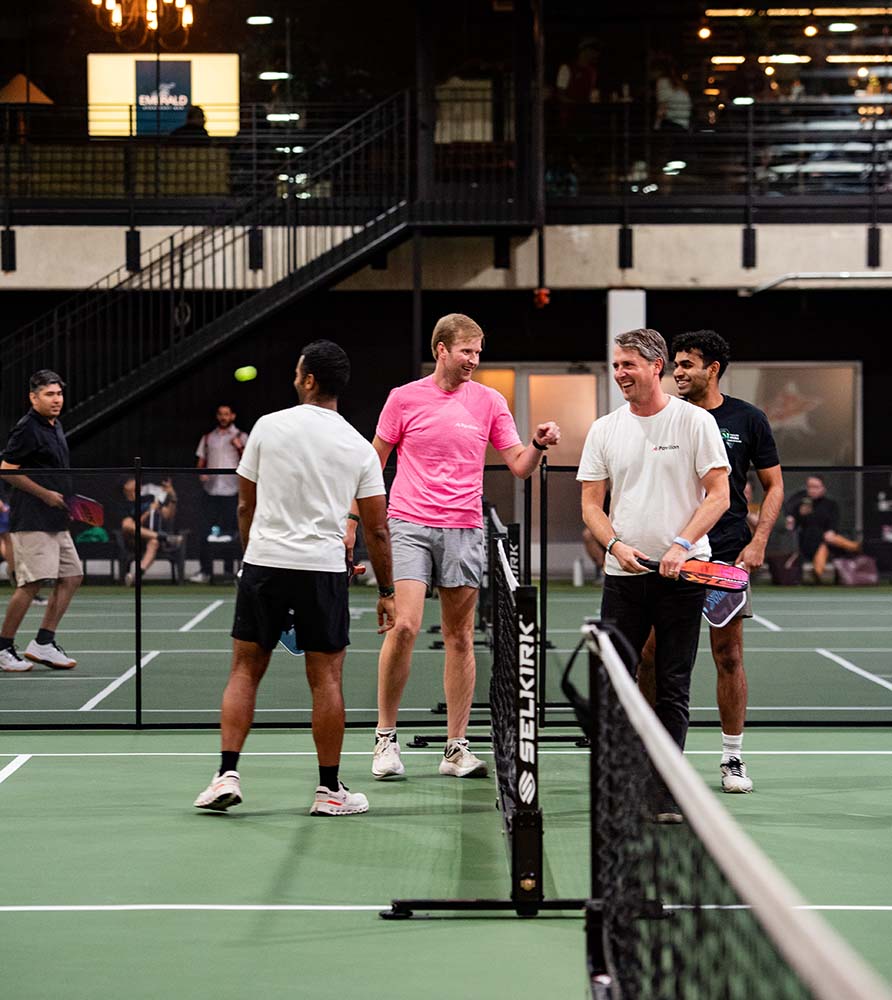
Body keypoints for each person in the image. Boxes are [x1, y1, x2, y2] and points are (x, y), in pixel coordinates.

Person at [193, 340, 395, 816]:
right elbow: (378, 528)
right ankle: (329, 792)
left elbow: (245, 503)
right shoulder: (357, 446)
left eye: (297, 372)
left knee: (244, 669)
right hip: (322, 571)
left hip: (264, 565)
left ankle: (226, 774)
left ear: (308, 380)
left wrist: (252, 558)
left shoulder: (267, 426)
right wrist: (387, 590)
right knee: (326, 678)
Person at [364, 313, 560, 781]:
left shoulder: (490, 401)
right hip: (409, 523)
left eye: (479, 351)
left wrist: (536, 443)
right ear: (442, 350)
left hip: (465, 527)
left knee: (460, 637)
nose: (474, 359)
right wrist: (357, 521)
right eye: (467, 351)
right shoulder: (403, 398)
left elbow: (518, 465)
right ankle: (385, 739)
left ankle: (456, 748)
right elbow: (375, 460)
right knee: (406, 626)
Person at [637, 330, 784, 793]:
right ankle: (651, 753)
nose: (677, 372)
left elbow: (773, 485)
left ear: (712, 369)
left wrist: (758, 541)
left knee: (728, 655)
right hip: (668, 557)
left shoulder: (747, 418)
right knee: (651, 656)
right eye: (674, 365)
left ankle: (732, 758)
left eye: (686, 365)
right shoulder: (662, 415)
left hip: (722, 556)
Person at [577, 328, 730, 756]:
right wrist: (615, 547)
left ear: (655, 366)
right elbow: (591, 506)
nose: (620, 373)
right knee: (616, 682)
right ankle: (621, 777)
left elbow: (720, 495)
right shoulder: (604, 430)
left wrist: (682, 545)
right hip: (624, 577)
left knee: (673, 685)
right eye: (616, 365)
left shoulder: (695, 421)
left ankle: (667, 789)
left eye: (629, 365)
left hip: (684, 576)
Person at [0, 370, 83, 672]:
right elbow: (6, 469)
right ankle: (3, 647)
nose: (56, 399)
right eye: (49, 394)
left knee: (72, 576)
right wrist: (45, 494)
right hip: (32, 519)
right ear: (33, 397)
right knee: (31, 583)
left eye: (59, 393)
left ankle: (44, 643)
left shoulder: (55, 425)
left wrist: (65, 504)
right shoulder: (27, 429)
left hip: (56, 519)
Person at [190, 404, 248, 584]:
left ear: (233, 416)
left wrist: (239, 447)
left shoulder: (242, 436)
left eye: (227, 414)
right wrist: (202, 474)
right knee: (206, 532)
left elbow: (249, 461)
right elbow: (201, 462)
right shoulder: (208, 438)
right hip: (211, 492)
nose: (223, 417)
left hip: (232, 492)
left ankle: (230, 572)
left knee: (232, 533)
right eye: (221, 414)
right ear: (217, 416)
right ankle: (205, 571)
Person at [785, 474, 860, 582]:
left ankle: (818, 574)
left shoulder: (831, 504)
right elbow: (793, 526)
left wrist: (830, 532)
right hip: (809, 542)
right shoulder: (801, 505)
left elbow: (834, 524)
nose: (812, 490)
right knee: (824, 544)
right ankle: (856, 547)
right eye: (810, 487)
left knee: (827, 542)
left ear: (823, 488)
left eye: (816, 487)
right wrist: (795, 517)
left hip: (829, 540)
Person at [118, 476, 181, 586]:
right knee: (127, 525)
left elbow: (168, 515)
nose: (137, 482)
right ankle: (165, 538)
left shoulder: (149, 498)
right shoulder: (124, 505)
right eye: (132, 481)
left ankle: (136, 576)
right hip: (133, 540)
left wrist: (172, 496)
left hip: (150, 538)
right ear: (126, 486)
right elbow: (129, 526)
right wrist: (147, 512)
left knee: (154, 542)